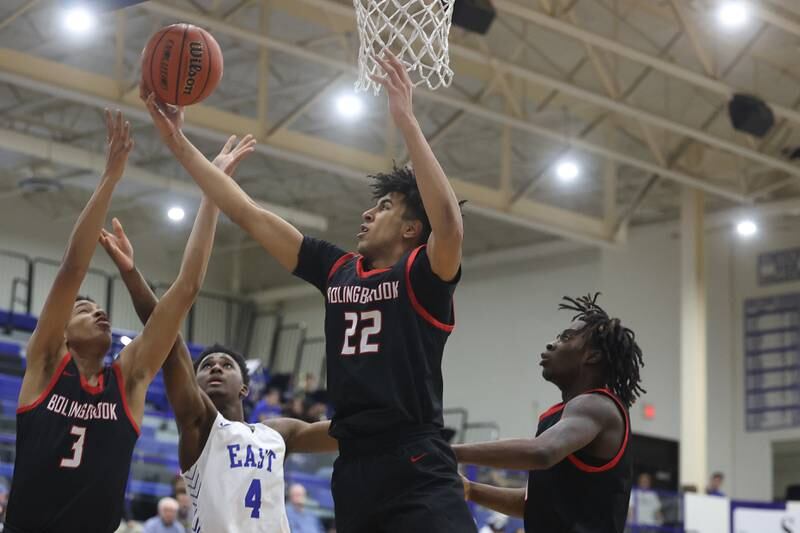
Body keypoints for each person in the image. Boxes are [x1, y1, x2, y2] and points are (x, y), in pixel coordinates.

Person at [142, 51, 473, 533]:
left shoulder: (424, 276)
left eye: (383, 207)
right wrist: (177, 143)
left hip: (415, 457)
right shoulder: (336, 267)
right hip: (354, 467)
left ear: (411, 229)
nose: (367, 214)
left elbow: (450, 226)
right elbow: (248, 212)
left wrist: (406, 122)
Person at [3, 110, 226, 533]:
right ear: (62, 333)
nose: (99, 312)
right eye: (83, 311)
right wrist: (111, 176)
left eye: (99, 309)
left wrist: (212, 193)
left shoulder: (129, 380)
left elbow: (187, 288)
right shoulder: (47, 363)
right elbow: (73, 267)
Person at [104, 218, 339, 533]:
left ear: (245, 388)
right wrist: (131, 274)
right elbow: (169, 342)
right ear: (194, 383)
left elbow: (345, 432)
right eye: (206, 366)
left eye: (226, 365)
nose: (215, 367)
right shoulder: (200, 425)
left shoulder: (277, 432)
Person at [454, 294, 644, 533]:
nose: (552, 343)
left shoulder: (597, 405)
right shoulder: (568, 415)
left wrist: (453, 452)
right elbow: (536, 504)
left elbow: (541, 452)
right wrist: (471, 489)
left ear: (592, 356)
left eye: (566, 338)